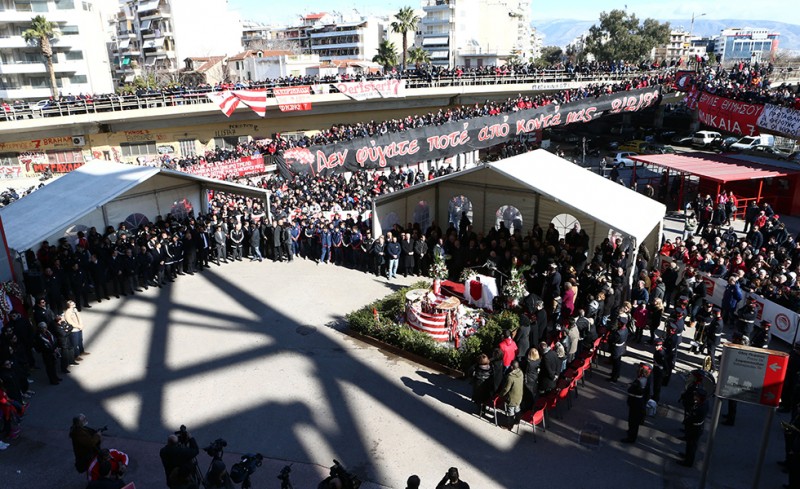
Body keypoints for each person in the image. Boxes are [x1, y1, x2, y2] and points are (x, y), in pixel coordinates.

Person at [678, 388, 709, 467]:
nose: (694, 397)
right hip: (695, 427)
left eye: (696, 396)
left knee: (691, 445)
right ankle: (687, 456)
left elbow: (692, 417)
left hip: (695, 428)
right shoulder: (702, 403)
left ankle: (688, 462)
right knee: (689, 444)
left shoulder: (700, 408)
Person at [622, 364, 651, 443]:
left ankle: (631, 437)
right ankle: (631, 433)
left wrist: (629, 386)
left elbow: (631, 390)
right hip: (639, 401)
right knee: (634, 420)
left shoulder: (639, 381)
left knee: (633, 420)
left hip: (635, 401)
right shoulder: (645, 379)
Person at [497, 360, 523, 429]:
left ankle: (509, 425)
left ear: (511, 367)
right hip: (519, 395)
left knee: (510, 412)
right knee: (517, 408)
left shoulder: (510, 377)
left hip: (512, 398)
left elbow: (506, 389)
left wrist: (500, 395)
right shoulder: (521, 373)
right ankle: (517, 420)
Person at [608, 316, 629, 383]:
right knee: (618, 363)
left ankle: (614, 378)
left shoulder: (619, 333)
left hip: (616, 349)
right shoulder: (625, 329)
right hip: (621, 348)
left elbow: (612, 340)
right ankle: (616, 374)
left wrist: (610, 337)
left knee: (615, 364)